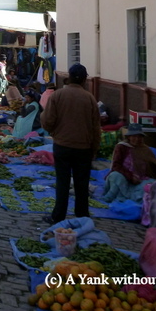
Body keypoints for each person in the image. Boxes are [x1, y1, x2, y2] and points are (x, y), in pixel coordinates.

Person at [41, 63, 101, 224]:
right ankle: (82, 217)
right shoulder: (89, 99)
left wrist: (55, 132)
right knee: (82, 184)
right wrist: (94, 148)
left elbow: (47, 121)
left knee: (62, 182)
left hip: (62, 146)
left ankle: (58, 215)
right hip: (83, 148)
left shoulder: (58, 95)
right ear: (84, 80)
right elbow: (96, 128)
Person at [102, 124, 156, 202]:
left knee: (152, 184)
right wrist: (130, 176)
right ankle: (111, 196)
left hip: (140, 181)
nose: (137, 139)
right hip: (124, 179)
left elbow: (155, 166)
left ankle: (132, 197)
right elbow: (116, 166)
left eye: (139, 136)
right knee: (115, 175)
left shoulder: (145, 150)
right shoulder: (122, 147)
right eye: (134, 136)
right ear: (129, 137)